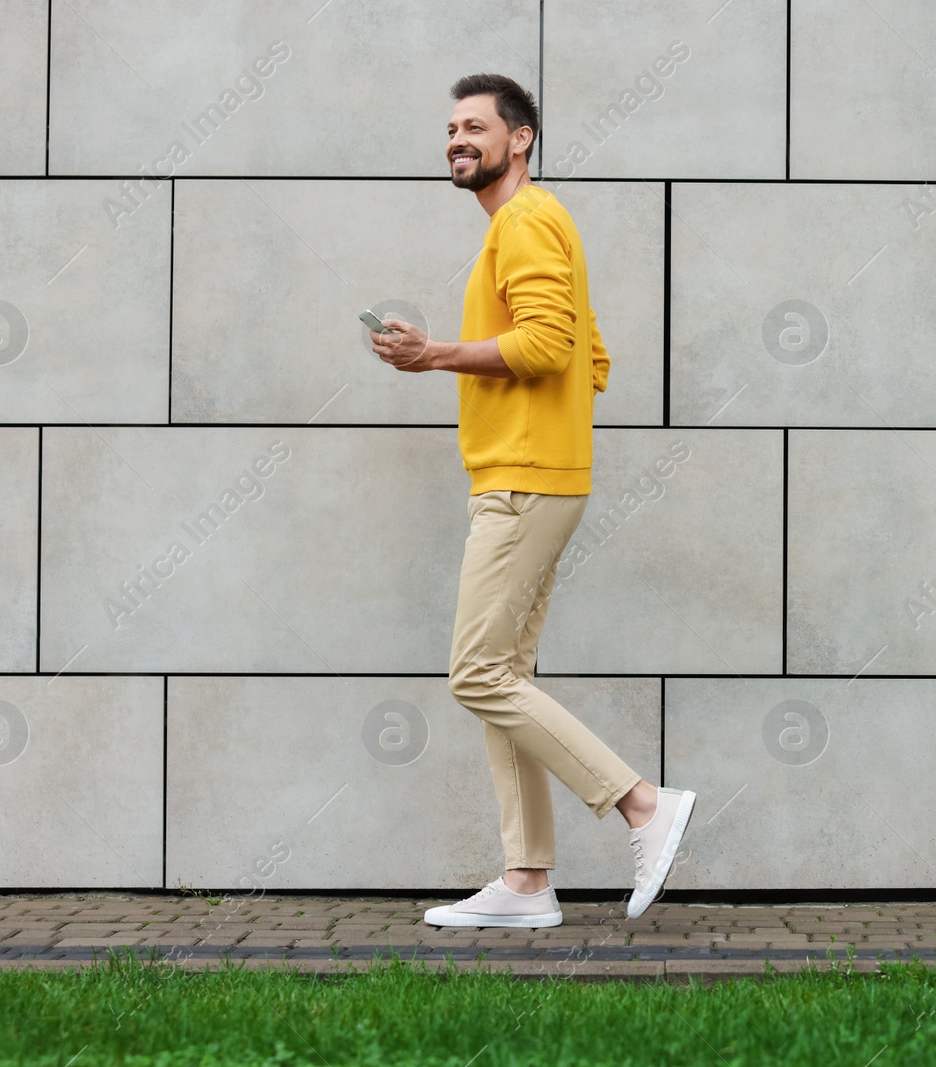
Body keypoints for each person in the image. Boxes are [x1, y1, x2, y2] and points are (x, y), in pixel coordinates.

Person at [368, 72, 694, 928]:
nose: (456, 139)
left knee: (476, 671)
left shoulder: (527, 219)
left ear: (522, 139)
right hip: (529, 473)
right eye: (449, 129)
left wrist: (436, 355)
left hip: (523, 480)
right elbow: (593, 356)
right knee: (505, 674)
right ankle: (525, 882)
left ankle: (640, 804)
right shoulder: (523, 228)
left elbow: (552, 345)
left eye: (475, 126)